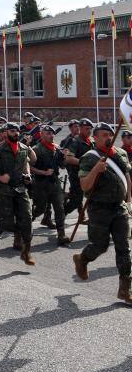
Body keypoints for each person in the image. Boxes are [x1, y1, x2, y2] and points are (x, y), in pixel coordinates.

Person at [73, 122, 132, 303]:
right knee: (100, 246)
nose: (108, 137)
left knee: (124, 248)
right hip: (99, 209)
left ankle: (124, 290)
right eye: (104, 135)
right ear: (95, 137)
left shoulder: (120, 153)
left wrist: (128, 198)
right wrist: (95, 170)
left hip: (119, 208)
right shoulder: (89, 158)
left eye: (110, 134)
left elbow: (127, 175)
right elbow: (84, 186)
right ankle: (82, 259)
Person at [0, 123, 36, 266]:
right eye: (12, 131)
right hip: (4, 190)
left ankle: (26, 252)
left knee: (27, 219)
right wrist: (0, 178)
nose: (16, 133)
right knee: (8, 222)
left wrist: (28, 175)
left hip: (20, 188)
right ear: (6, 133)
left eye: (17, 131)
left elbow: (27, 163)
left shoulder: (23, 148)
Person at [30, 125, 69, 246]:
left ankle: (61, 234)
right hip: (41, 183)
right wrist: (43, 172)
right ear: (42, 135)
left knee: (59, 208)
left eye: (52, 134)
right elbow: (29, 167)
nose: (51, 135)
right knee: (40, 208)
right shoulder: (36, 149)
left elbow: (62, 165)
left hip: (54, 182)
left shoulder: (57, 148)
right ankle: (26, 220)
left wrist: (64, 156)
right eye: (48, 133)